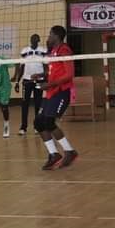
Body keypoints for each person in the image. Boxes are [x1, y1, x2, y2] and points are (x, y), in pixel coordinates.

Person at [35, 25, 79, 170]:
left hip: (61, 92)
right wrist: (42, 76)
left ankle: (70, 151)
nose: (48, 37)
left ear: (56, 36)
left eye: (50, 34)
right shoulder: (53, 52)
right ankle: (54, 154)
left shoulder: (64, 50)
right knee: (39, 122)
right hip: (51, 92)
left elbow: (69, 74)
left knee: (48, 121)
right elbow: (54, 72)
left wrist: (50, 84)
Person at [13, 34, 47, 135]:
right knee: (25, 104)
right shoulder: (24, 51)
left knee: (38, 103)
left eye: (36, 39)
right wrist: (17, 82)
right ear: (30, 40)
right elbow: (21, 67)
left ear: (39, 40)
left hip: (39, 81)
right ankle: (23, 127)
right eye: (32, 38)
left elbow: (46, 67)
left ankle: (37, 126)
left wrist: (45, 79)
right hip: (27, 81)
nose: (34, 40)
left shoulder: (43, 51)